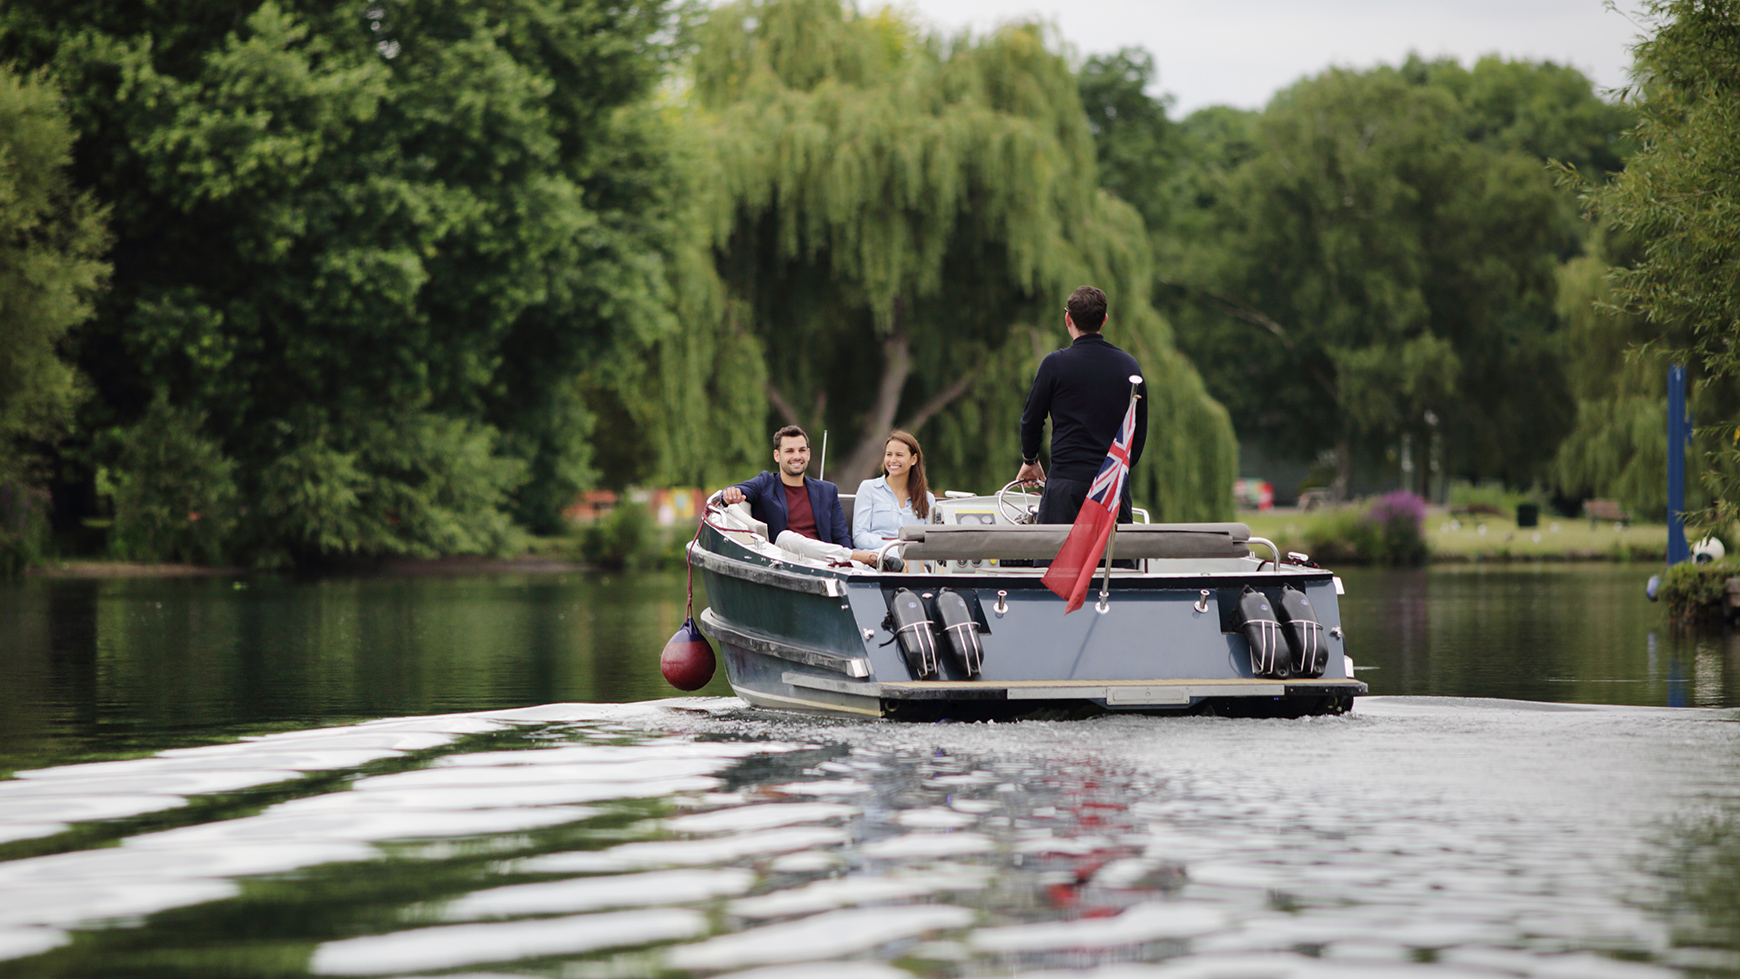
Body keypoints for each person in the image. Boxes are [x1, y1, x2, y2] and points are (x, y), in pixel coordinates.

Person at [1016, 285, 1147, 525]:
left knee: (1057, 560)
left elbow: (1032, 419)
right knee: (1113, 561)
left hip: (1066, 485)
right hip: (1112, 487)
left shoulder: (1055, 365)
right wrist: (1120, 470)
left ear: (1068, 318)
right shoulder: (1129, 367)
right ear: (1104, 320)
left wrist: (1031, 460)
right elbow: (1138, 431)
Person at [721, 425, 885, 567]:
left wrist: (849, 563)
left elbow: (841, 536)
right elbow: (735, 490)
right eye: (789, 451)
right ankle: (861, 558)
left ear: (808, 454)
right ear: (777, 456)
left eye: (801, 450)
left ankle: (864, 562)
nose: (796, 456)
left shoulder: (827, 490)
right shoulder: (765, 483)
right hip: (786, 563)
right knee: (785, 537)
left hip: (827, 564)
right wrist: (729, 494)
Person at [852, 430, 937, 550]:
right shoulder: (868, 489)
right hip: (876, 562)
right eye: (889, 454)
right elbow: (860, 537)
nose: (892, 460)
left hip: (914, 563)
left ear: (913, 459)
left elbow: (931, 541)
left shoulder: (928, 499)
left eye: (899, 455)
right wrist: (895, 546)